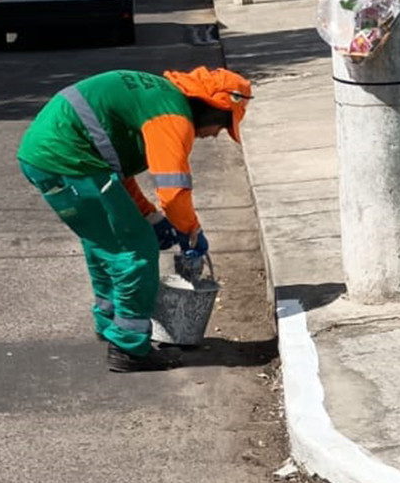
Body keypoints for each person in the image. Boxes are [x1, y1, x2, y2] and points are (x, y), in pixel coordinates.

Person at [17, 67, 253, 373]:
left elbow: (117, 174)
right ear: (215, 106)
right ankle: (129, 348)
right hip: (67, 158)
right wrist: (190, 231)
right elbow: (173, 191)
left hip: (47, 153)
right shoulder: (173, 116)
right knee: (134, 249)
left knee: (104, 240)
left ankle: (110, 321)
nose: (215, 134)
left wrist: (150, 216)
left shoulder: (157, 97)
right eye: (223, 126)